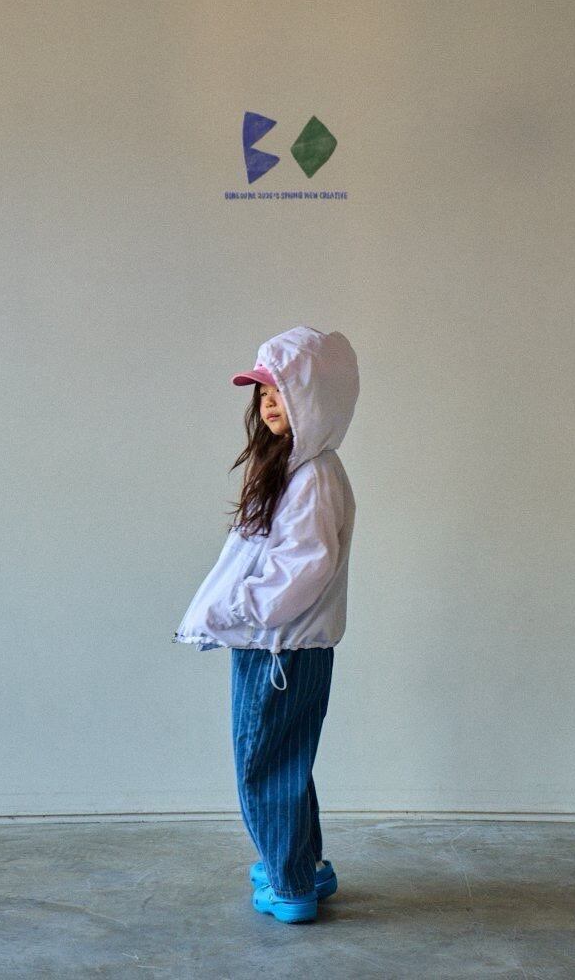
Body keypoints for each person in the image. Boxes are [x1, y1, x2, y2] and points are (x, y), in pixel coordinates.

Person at [172, 324, 360, 924]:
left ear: (316, 398)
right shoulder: (302, 469)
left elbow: (302, 568)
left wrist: (237, 608)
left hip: (278, 648)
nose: (268, 402)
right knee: (288, 762)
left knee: (263, 763)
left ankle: (288, 885)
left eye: (281, 390)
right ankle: (303, 864)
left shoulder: (312, 478)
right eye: (262, 392)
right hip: (290, 645)